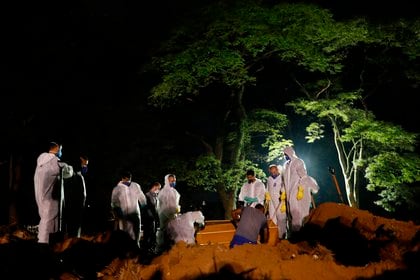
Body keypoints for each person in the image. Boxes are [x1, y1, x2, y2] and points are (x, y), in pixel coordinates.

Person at [34, 141, 73, 245]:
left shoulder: (41, 163)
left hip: (41, 198)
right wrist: (67, 166)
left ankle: (44, 245)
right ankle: (44, 246)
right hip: (50, 200)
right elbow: (68, 172)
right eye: (61, 149)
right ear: (57, 149)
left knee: (45, 222)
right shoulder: (54, 162)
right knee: (49, 226)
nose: (61, 152)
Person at [282, 146, 319, 238]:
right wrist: (283, 192)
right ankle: (294, 234)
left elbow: (304, 176)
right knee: (291, 213)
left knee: (299, 212)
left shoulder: (298, 162)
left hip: (297, 190)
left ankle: (300, 234)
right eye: (284, 155)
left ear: (290, 153)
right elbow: (284, 180)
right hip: (289, 193)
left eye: (285, 154)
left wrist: (301, 189)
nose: (284, 156)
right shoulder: (286, 165)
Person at [111, 170, 147, 248]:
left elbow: (142, 197)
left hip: (135, 212)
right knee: (124, 232)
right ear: (122, 178)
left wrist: (144, 206)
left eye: (129, 179)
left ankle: (136, 246)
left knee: (136, 230)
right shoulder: (117, 188)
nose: (128, 181)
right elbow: (114, 201)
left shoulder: (136, 185)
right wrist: (117, 210)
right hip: (123, 213)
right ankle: (125, 248)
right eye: (127, 179)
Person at [62, 155, 89, 238]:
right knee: (72, 227)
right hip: (73, 206)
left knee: (76, 227)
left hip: (78, 207)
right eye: (84, 164)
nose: (85, 167)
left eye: (86, 165)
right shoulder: (72, 176)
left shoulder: (80, 175)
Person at [156, 174, 181, 253]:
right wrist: (169, 213)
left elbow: (175, 204)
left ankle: (171, 247)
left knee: (172, 231)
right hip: (164, 214)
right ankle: (160, 249)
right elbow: (162, 204)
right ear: (167, 181)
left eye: (174, 180)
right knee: (163, 231)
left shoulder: (174, 191)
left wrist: (176, 210)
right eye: (171, 181)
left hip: (173, 214)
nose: (173, 182)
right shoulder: (163, 192)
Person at [266, 164, 287, 239]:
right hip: (271, 201)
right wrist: (267, 194)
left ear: (277, 170)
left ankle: (282, 236)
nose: (273, 174)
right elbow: (267, 188)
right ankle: (273, 235)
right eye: (271, 172)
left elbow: (285, 187)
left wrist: (284, 194)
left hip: (279, 200)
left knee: (281, 217)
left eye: (274, 172)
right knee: (272, 216)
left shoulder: (282, 178)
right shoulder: (269, 179)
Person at [141, 181, 161, 253]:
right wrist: (152, 216)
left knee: (153, 233)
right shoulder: (147, 195)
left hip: (153, 218)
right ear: (155, 187)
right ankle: (145, 249)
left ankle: (151, 247)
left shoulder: (155, 196)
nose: (159, 190)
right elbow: (148, 208)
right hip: (148, 218)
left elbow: (156, 207)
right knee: (147, 234)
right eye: (159, 188)